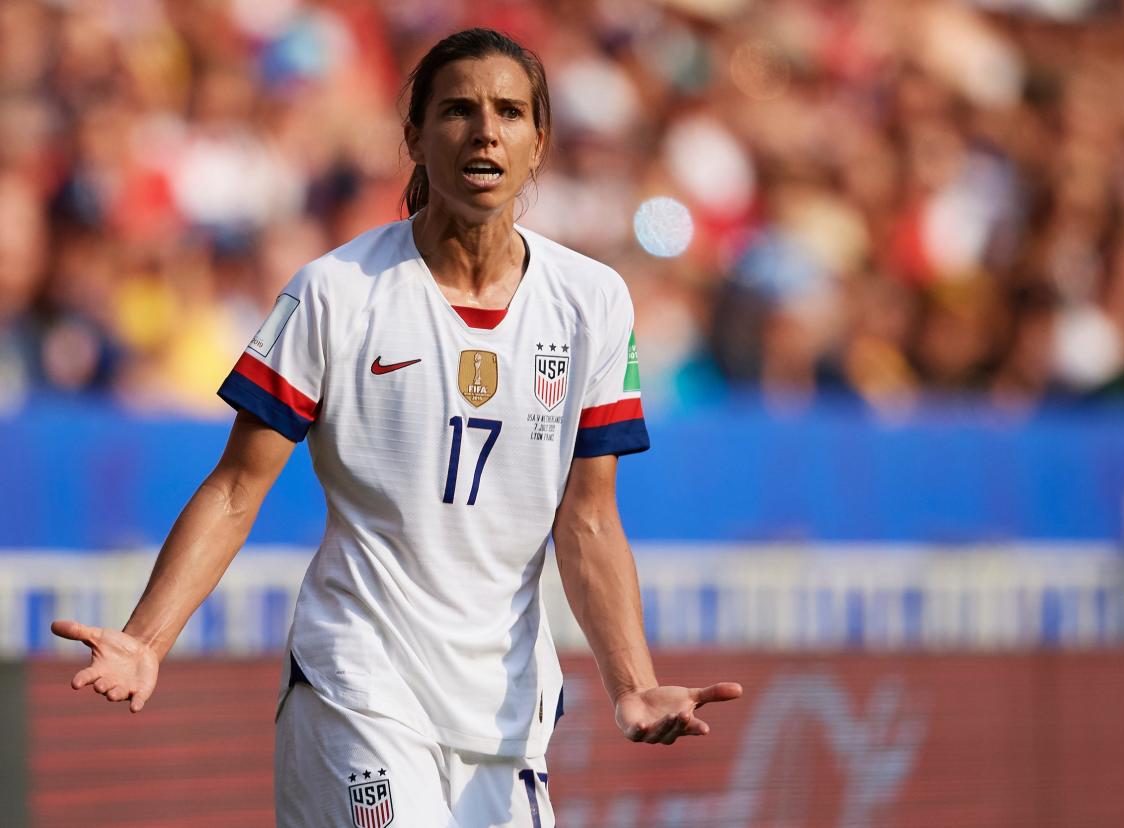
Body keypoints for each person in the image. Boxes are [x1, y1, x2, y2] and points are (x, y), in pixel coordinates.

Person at [51, 27, 742, 827]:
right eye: (458, 110)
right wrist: (146, 639)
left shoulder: (593, 301)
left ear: (538, 141)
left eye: (510, 112)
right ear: (414, 136)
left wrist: (631, 682)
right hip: (358, 685)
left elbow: (587, 520)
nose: (486, 130)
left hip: (502, 713)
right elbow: (238, 487)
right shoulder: (336, 292)